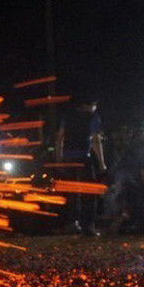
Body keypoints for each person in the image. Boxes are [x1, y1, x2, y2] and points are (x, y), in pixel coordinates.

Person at [56, 99, 107, 236]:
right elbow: (96, 140)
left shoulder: (67, 116)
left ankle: (72, 223)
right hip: (83, 158)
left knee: (72, 193)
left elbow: (60, 137)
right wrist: (102, 163)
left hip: (67, 160)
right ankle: (87, 226)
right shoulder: (93, 117)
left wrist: (59, 159)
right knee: (88, 193)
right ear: (91, 105)